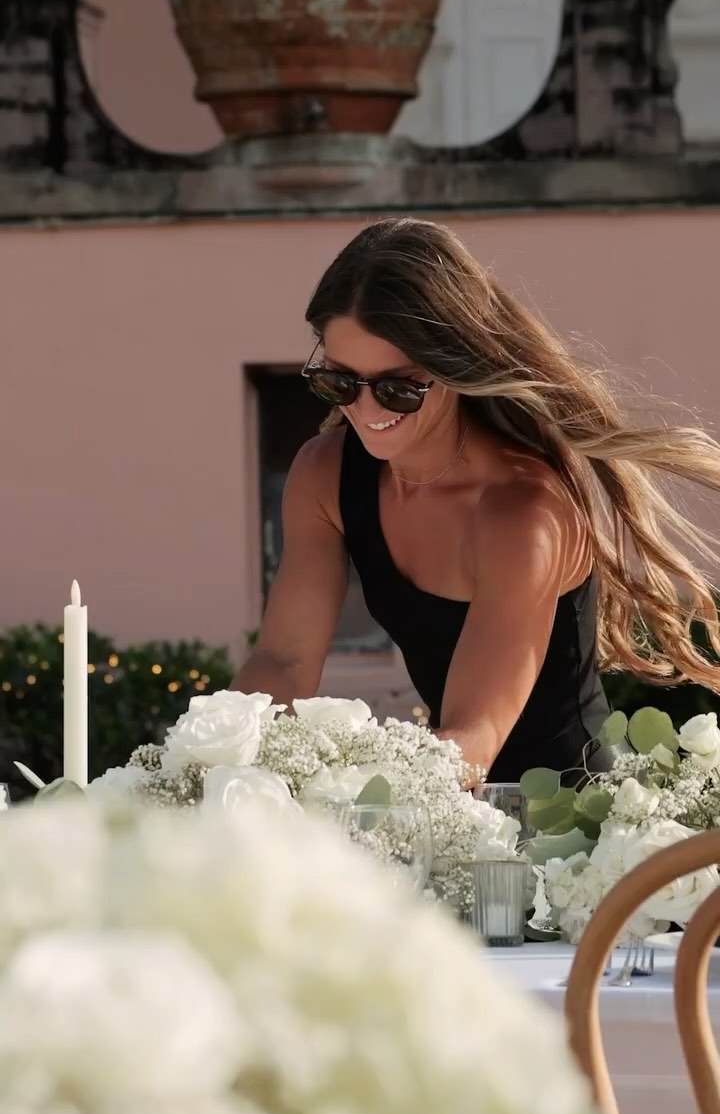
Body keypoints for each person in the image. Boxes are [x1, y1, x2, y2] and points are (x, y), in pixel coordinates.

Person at [233, 217, 720, 780]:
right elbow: (284, 662)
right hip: (439, 794)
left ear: (454, 367)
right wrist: (215, 765)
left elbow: (473, 736)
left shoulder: (525, 512)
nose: (367, 410)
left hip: (567, 824)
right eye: (340, 382)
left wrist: (351, 794)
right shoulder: (325, 473)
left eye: (399, 388)